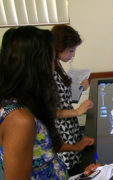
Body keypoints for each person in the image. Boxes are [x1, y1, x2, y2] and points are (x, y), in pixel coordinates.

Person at [0, 26, 67, 179]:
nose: (54, 66)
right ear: (38, 65)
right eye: (52, 59)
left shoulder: (23, 103)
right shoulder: (20, 120)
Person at [51, 24, 94, 176]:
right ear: (57, 47)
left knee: (79, 163)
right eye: (71, 50)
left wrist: (79, 86)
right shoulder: (49, 69)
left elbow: (63, 95)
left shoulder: (57, 65)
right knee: (71, 170)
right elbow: (51, 110)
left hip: (71, 126)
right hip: (62, 131)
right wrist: (77, 111)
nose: (73, 55)